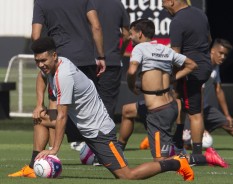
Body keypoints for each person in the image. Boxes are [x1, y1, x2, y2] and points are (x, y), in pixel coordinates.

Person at [8, 37, 194, 181]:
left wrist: (54, 149)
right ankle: (32, 168)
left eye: (43, 60)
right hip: (79, 122)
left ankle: (176, 163)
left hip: (98, 131)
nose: (41, 65)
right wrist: (39, 104)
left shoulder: (63, 75)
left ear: (54, 55)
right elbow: (41, 77)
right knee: (40, 117)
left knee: (127, 175)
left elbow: (62, 115)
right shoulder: (52, 66)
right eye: (37, 61)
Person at [31, 0, 106, 151]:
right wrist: (101, 56)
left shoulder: (41, 2)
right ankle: (99, 149)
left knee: (54, 108)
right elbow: (96, 26)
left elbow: (35, 35)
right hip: (85, 59)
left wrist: (42, 54)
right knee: (89, 108)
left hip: (58, 59)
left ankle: (52, 156)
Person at [126, 18, 197, 161]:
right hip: (170, 107)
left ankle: (200, 158)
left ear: (139, 34)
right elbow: (192, 65)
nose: (129, 37)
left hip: (158, 112)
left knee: (160, 161)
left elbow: (132, 70)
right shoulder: (165, 49)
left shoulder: (139, 48)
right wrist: (172, 79)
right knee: (127, 111)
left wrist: (131, 86)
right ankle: (119, 148)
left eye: (131, 33)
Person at [162, 0, 213, 165]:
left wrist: (168, 75)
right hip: (204, 64)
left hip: (190, 69)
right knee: (179, 99)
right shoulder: (200, 14)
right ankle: (177, 143)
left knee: (194, 112)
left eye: (164, 3)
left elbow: (175, 54)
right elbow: (209, 38)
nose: (163, 6)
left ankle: (197, 155)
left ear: (172, 1)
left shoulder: (177, 21)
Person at [92, 0, 130, 120]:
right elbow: (126, 35)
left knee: (85, 104)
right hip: (111, 62)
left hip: (87, 61)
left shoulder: (86, 3)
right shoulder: (117, 4)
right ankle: (106, 138)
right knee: (107, 104)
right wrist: (120, 53)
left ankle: (83, 138)